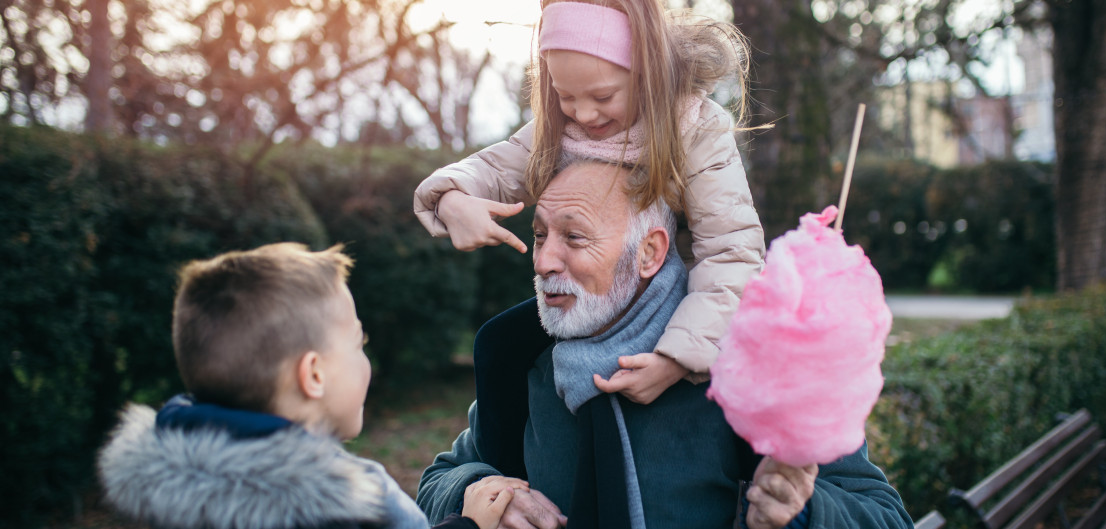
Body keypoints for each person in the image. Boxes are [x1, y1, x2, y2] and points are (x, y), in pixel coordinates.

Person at [416, 159, 913, 529]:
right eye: (541, 235)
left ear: (650, 252)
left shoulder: (748, 362)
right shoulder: (528, 359)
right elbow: (440, 478)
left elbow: (886, 516)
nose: (544, 260)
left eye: (574, 237)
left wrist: (807, 512)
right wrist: (479, 492)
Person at [413, 0, 764, 405]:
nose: (583, 113)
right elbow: (489, 170)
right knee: (500, 343)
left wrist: (678, 358)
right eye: (566, 95)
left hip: (677, 305)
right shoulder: (560, 127)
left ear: (646, 72)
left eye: (602, 95)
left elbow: (731, 251)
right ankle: (501, 454)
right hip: (597, 298)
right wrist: (453, 199)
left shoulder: (695, 128)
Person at [97, 243, 518, 529]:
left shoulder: (163, 492)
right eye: (358, 343)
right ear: (313, 375)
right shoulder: (358, 507)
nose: (364, 357)